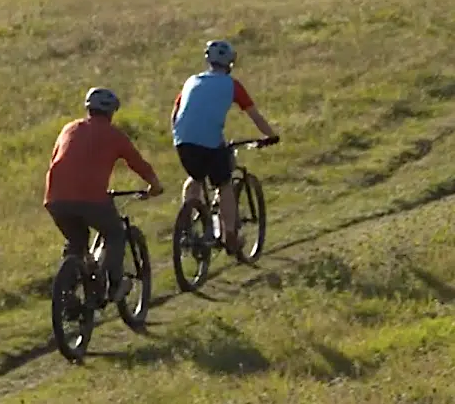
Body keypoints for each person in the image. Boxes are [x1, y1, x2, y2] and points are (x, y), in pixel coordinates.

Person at [44, 87, 164, 302]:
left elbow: (57, 159)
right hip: (91, 198)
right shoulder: (114, 135)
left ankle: (68, 292)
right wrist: (154, 185)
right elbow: (137, 163)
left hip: (56, 198)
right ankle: (114, 283)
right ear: (111, 113)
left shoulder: (69, 129)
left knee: (77, 241)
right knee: (116, 233)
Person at [170, 40, 279, 256]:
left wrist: (182, 135)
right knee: (224, 183)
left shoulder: (191, 81)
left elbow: (175, 114)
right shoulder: (232, 85)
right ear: (230, 63)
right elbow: (254, 115)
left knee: (195, 177)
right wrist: (271, 135)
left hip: (182, 139)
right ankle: (230, 235)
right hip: (209, 141)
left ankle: (187, 226)